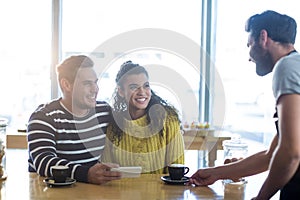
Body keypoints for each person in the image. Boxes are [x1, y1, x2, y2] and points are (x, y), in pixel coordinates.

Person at [189, 10, 300, 200]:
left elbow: (291, 153)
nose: (249, 57)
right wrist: (217, 172)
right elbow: (271, 155)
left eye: (249, 44)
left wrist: (261, 198)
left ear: (263, 38)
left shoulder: (287, 67)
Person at [27, 55, 121, 184]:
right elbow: (44, 162)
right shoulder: (43, 117)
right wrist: (86, 174)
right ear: (66, 85)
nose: (95, 89)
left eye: (95, 82)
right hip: (51, 194)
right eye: (87, 83)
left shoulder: (103, 111)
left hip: (91, 192)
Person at [102, 61, 185, 173]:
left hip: (161, 190)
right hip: (121, 190)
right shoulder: (114, 125)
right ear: (121, 91)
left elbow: (177, 170)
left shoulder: (167, 119)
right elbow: (108, 171)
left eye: (146, 86)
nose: (142, 92)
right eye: (133, 87)